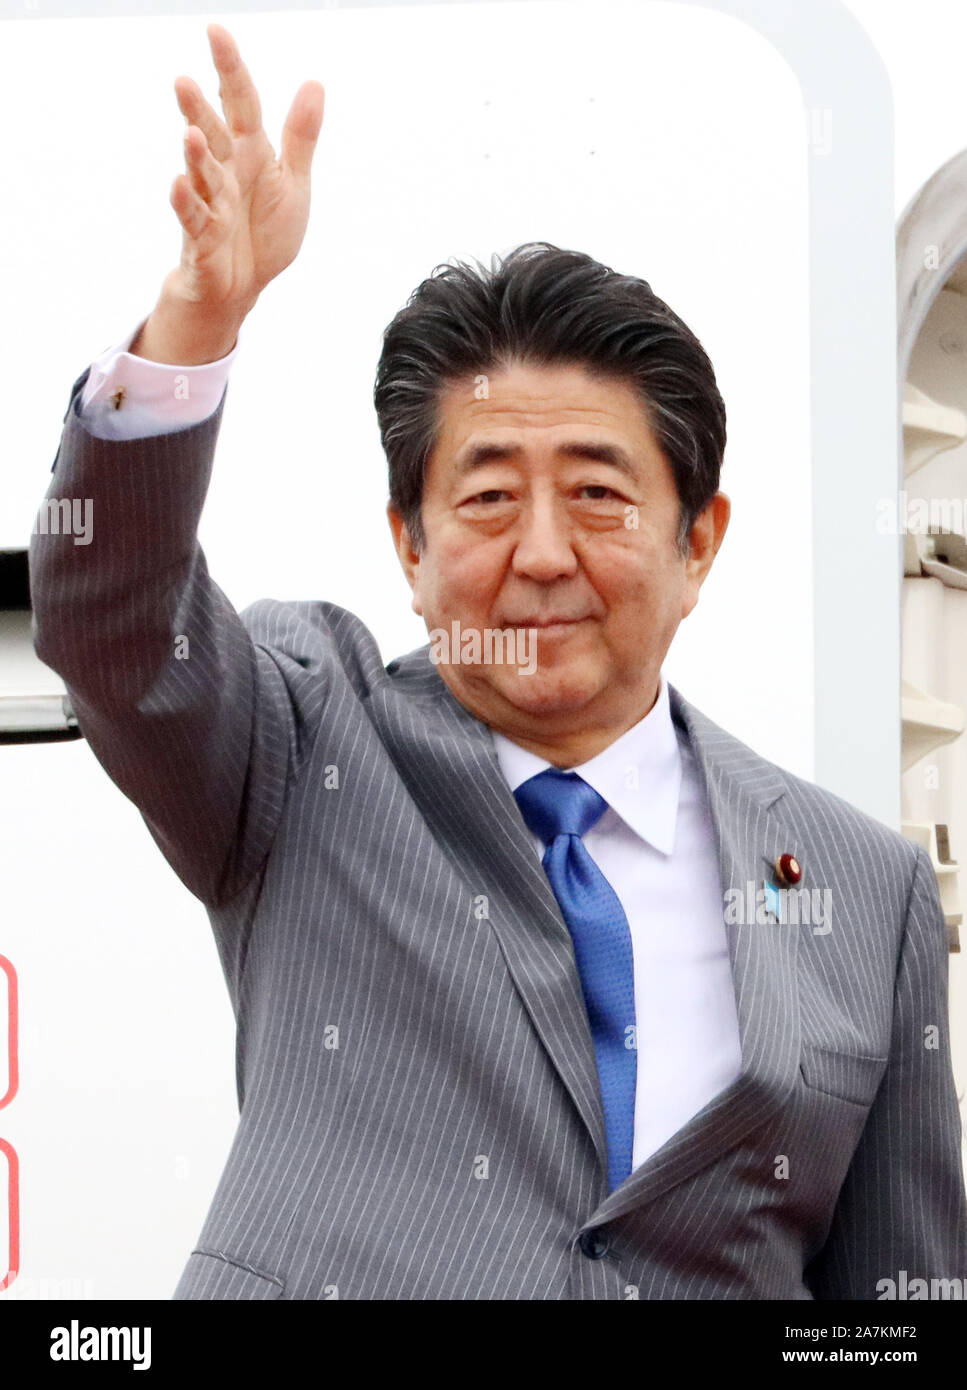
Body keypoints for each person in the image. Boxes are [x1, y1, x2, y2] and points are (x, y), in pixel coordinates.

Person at [29, 22, 967, 1300]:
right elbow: (113, 625)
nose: (539, 552)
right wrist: (199, 321)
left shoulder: (862, 890)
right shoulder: (305, 745)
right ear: (406, 546)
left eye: (595, 493)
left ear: (699, 542)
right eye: (482, 499)